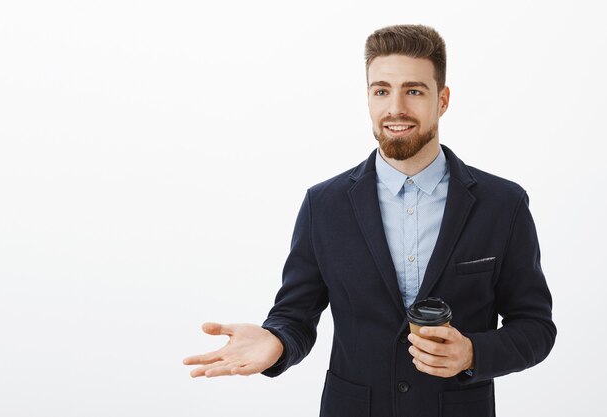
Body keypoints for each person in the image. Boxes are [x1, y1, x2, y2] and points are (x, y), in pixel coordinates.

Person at [183, 24, 556, 417]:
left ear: (442, 100)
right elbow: (295, 315)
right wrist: (276, 342)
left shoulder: (503, 204)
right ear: (368, 97)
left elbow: (535, 327)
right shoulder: (323, 205)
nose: (395, 107)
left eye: (413, 90)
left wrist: (473, 354)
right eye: (381, 90)